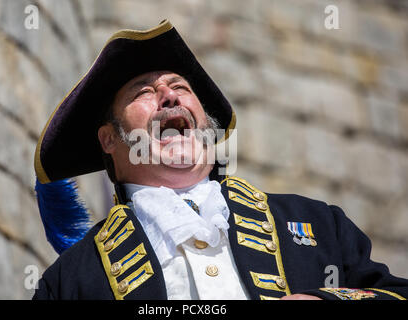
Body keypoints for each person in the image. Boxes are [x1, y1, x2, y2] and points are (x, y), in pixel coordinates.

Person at [32, 20, 408, 300]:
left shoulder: (319, 225)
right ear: (109, 139)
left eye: (180, 86)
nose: (168, 95)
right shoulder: (69, 282)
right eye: (144, 91)